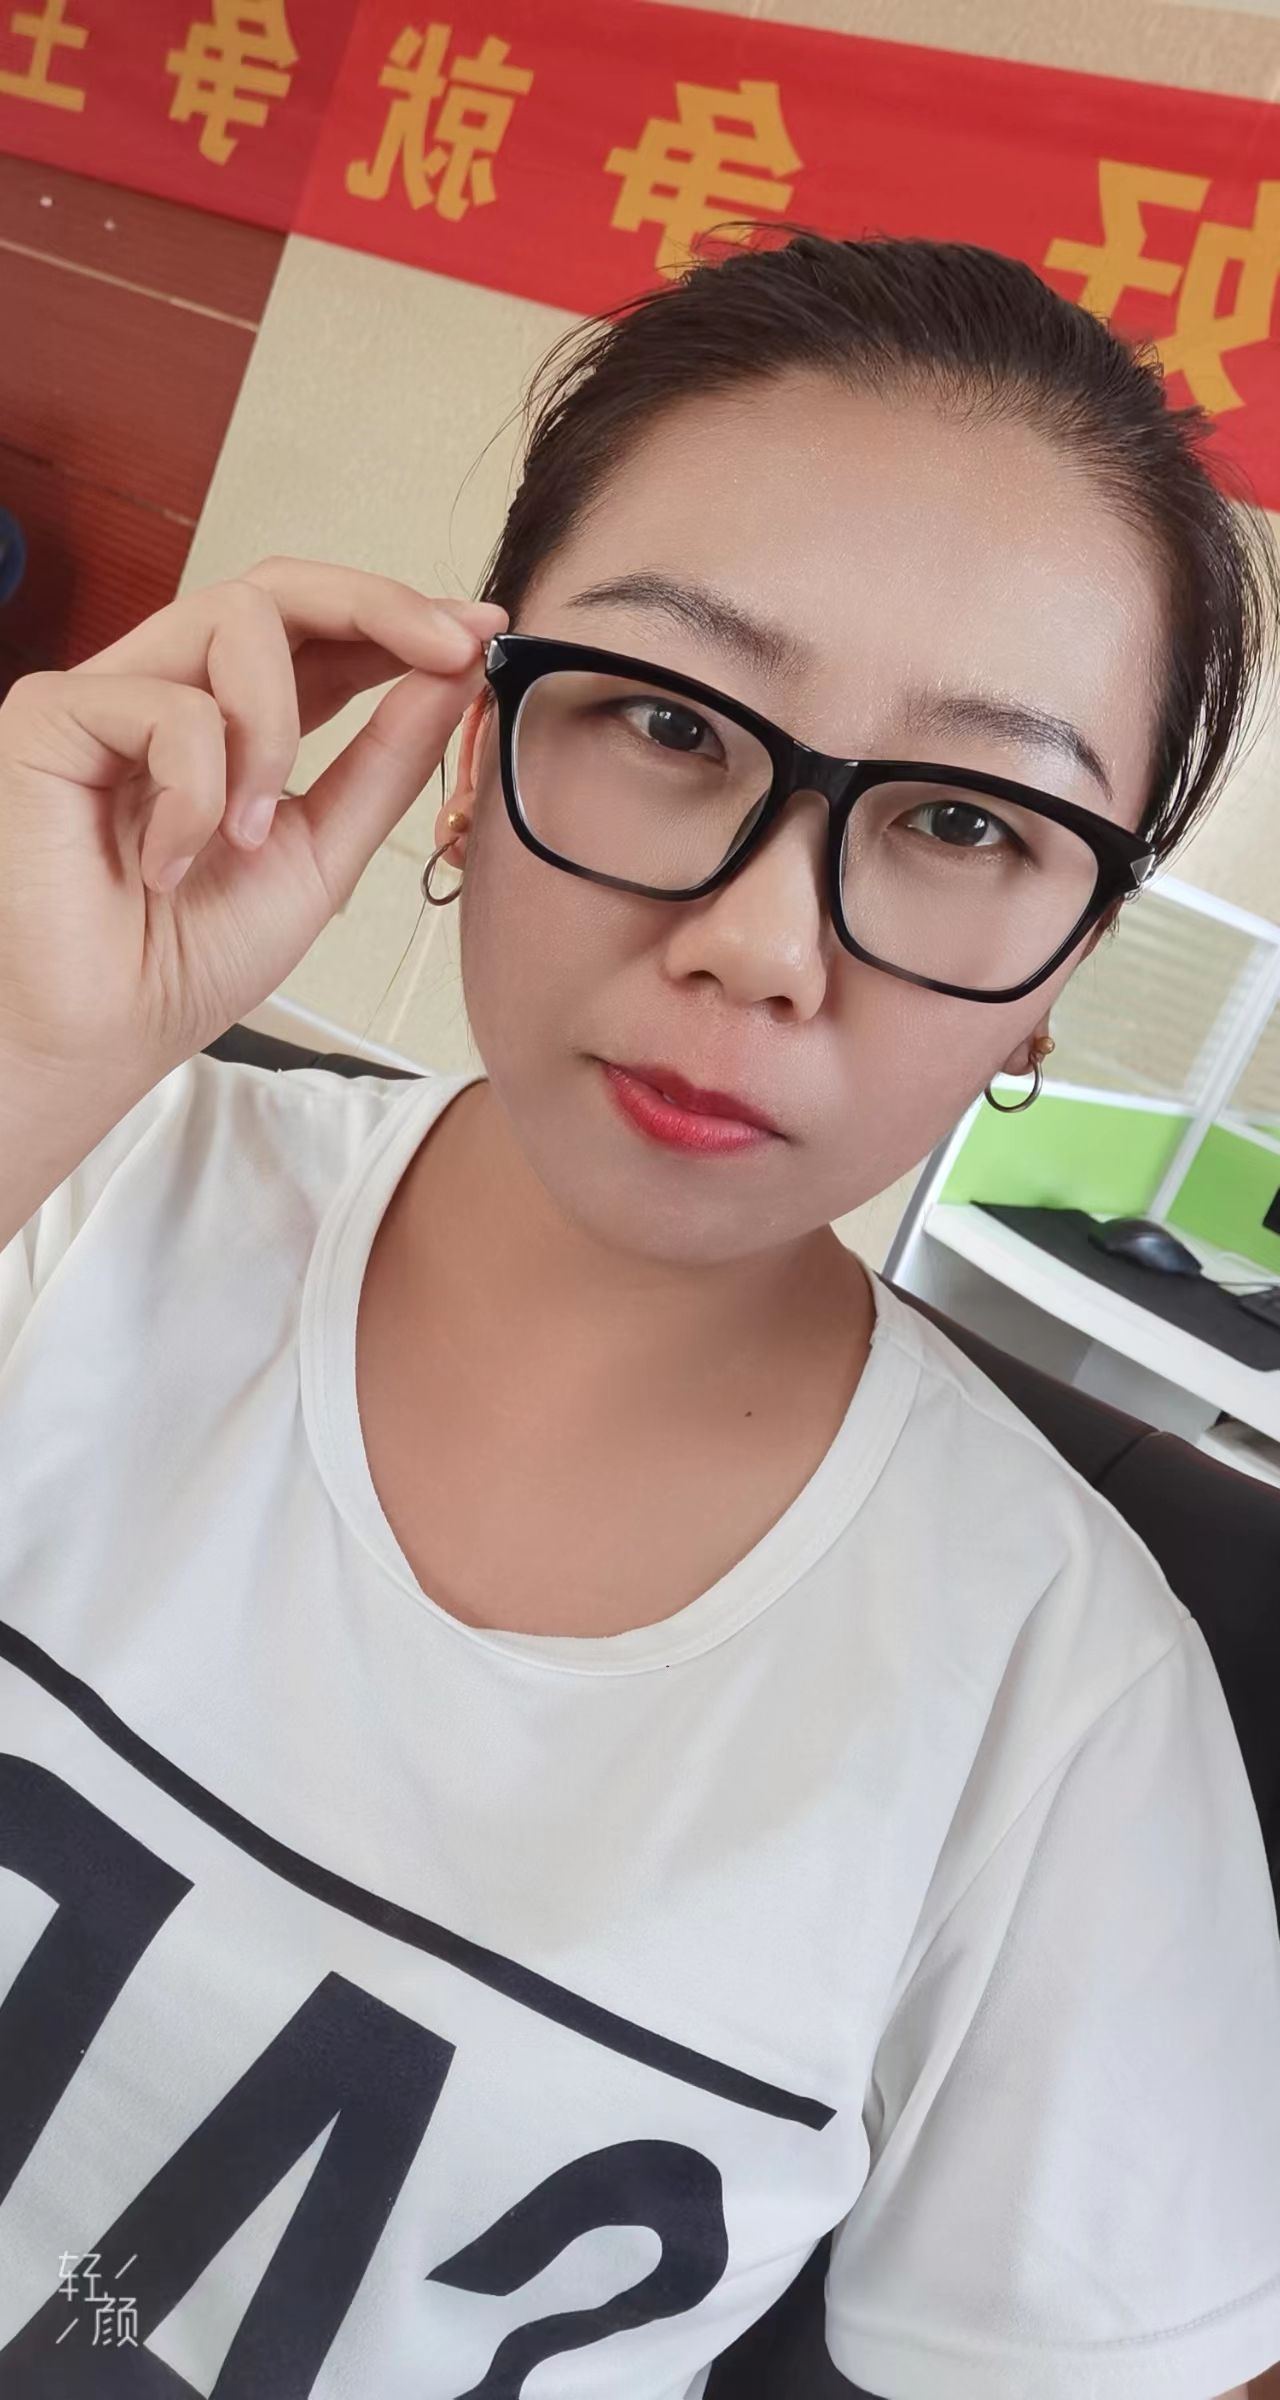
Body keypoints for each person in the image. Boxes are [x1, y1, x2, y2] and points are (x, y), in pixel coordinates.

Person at [0, 228, 1277, 2399]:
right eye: (669, 723)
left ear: (1060, 972)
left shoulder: (1059, 1721)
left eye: (965, 820)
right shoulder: (85, 1183)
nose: (763, 945)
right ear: (469, 742)